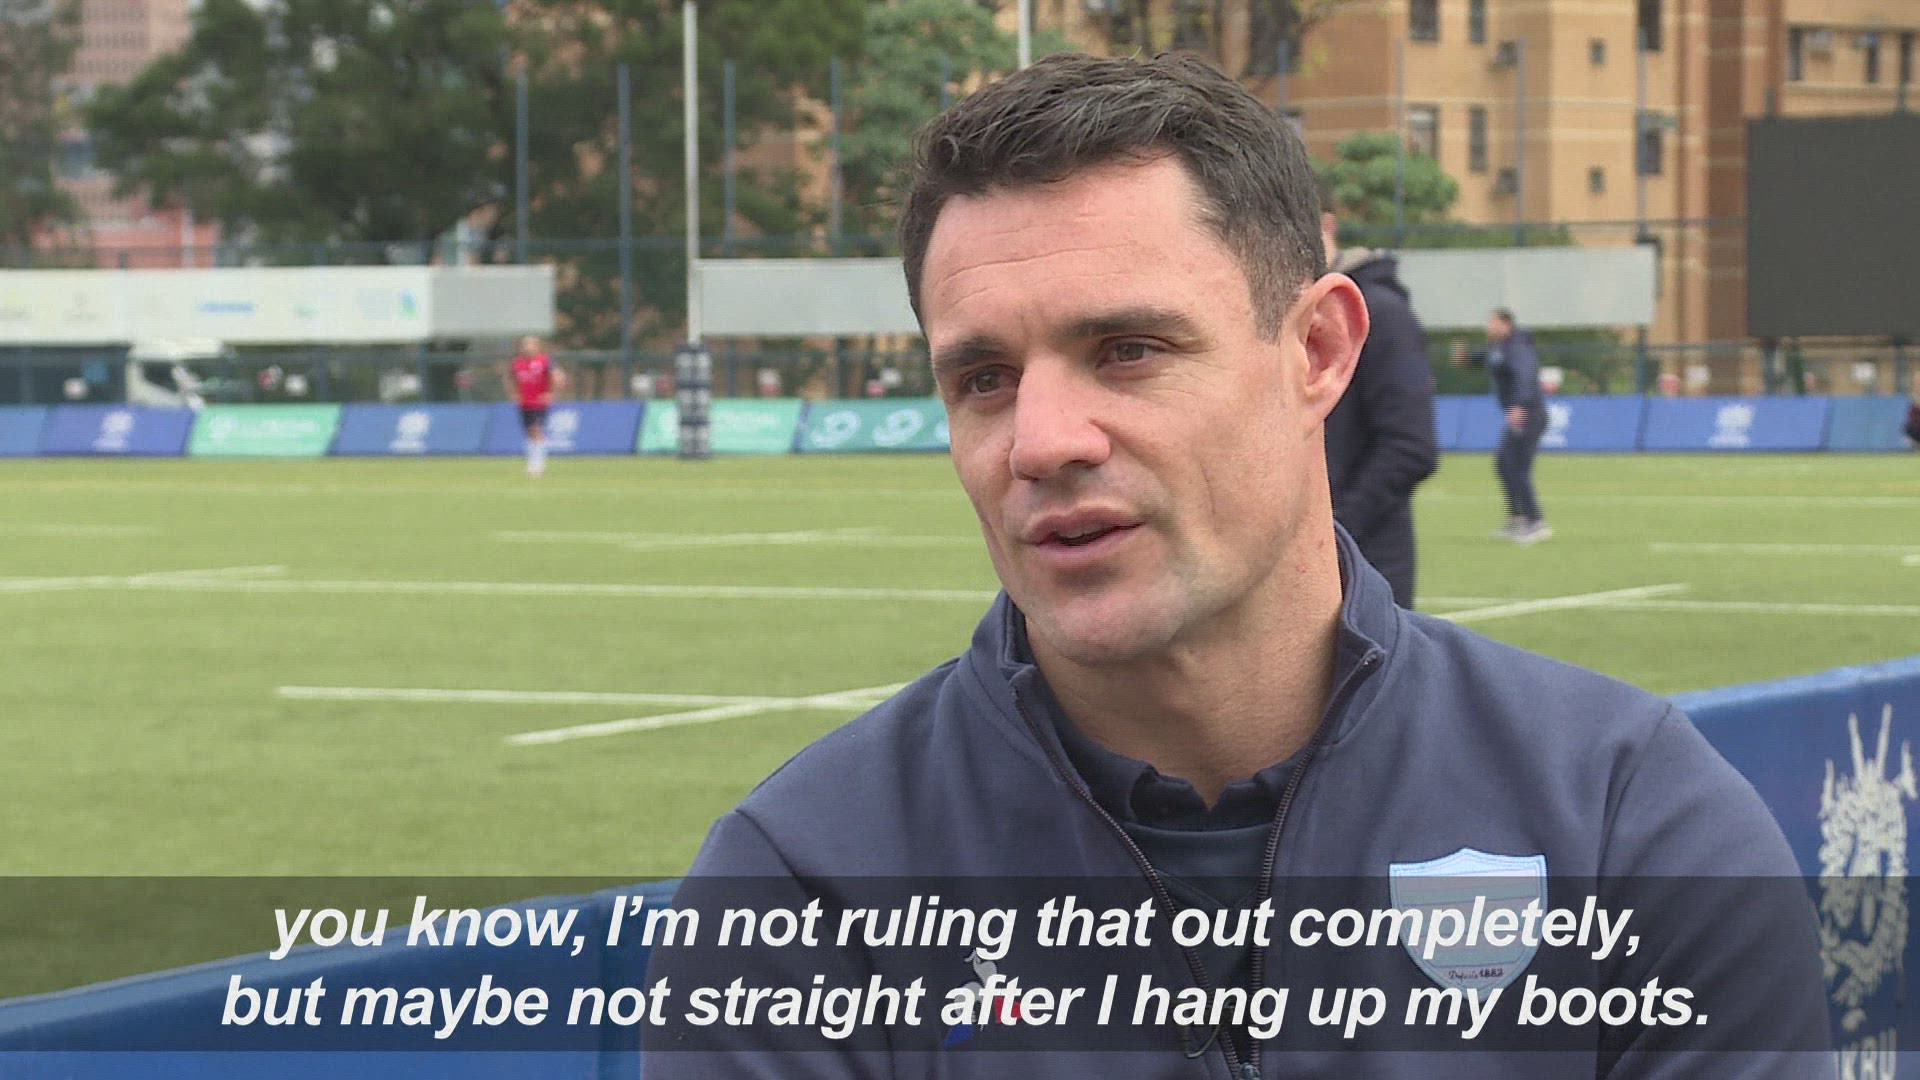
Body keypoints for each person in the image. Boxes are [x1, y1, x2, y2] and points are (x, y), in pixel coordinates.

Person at [644, 53, 1829, 1078]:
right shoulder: (804, 893)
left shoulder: (1629, 826)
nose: (1042, 442)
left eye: (1128, 350)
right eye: (984, 379)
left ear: (1318, 350)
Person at [1317, 180, 1438, 608]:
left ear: (1327, 226)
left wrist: (1334, 531)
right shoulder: (1276, 314)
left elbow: (1410, 446)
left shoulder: (1382, 314)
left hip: (1366, 568)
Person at [1454, 311, 1549, 542]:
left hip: (1528, 413)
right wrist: (1466, 358)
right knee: (1505, 465)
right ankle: (1517, 519)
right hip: (1519, 413)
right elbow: (1487, 360)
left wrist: (1519, 405)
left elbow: (1525, 375)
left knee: (1518, 468)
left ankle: (1535, 521)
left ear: (1506, 324)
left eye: (1493, 322)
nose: (1489, 326)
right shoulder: (1499, 347)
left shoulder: (1517, 346)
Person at [504, 336, 564, 477]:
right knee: (529, 432)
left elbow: (558, 377)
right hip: (524, 403)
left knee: (536, 430)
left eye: (530, 344)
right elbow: (508, 378)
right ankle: (532, 461)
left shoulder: (545, 361)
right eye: (525, 344)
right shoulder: (517, 362)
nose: (527, 347)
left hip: (539, 403)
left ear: (538, 346)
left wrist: (552, 393)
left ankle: (537, 464)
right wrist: (513, 394)